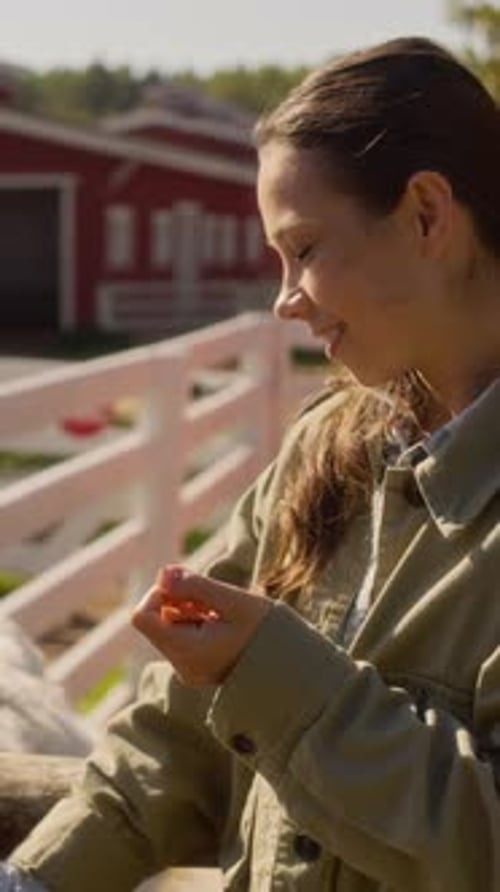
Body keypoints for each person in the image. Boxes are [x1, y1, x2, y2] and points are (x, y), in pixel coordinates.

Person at [3, 34, 500, 891]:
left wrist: (275, 673)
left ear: (426, 214)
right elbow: (178, 730)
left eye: (303, 249)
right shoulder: (324, 452)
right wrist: (37, 880)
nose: (284, 298)